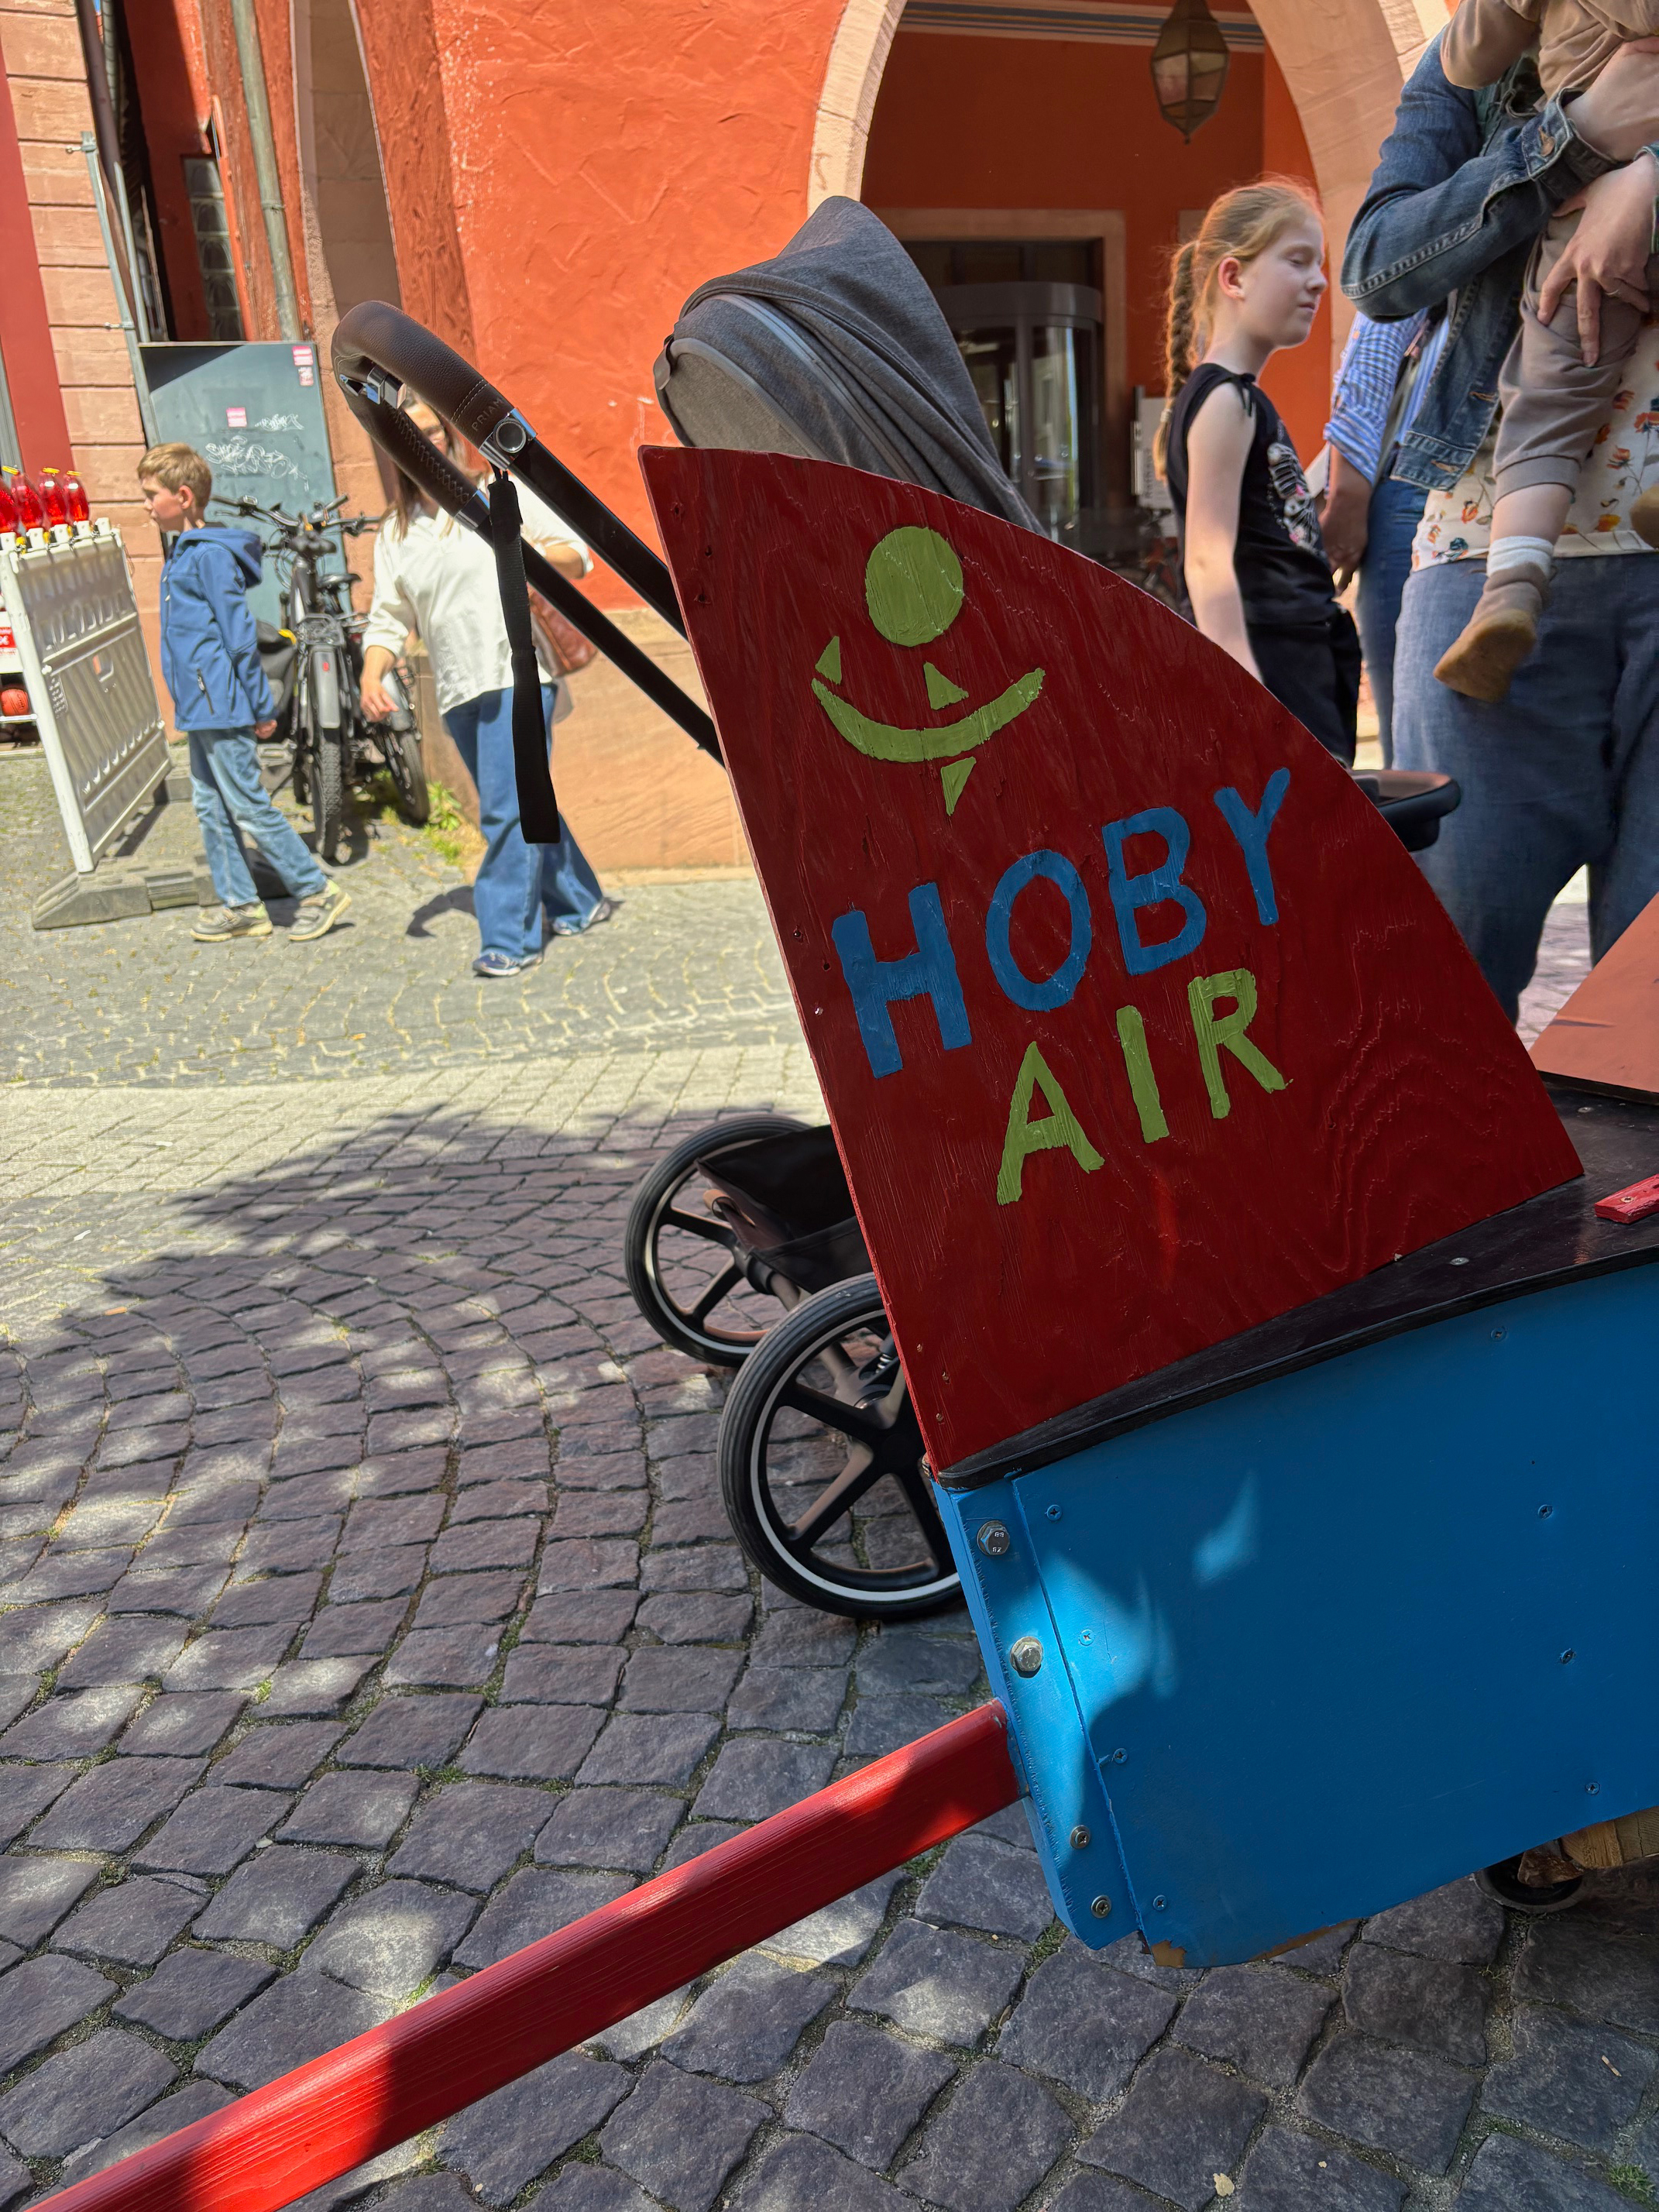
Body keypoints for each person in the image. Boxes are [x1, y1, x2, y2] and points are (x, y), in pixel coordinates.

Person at [1344, 32, 1659, 1018]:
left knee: (1647, 1020)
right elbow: (1378, 267)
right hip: (1483, 562)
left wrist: (1650, 176)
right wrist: (1575, 141)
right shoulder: (1471, 58)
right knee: (1452, 992)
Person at [1431, 0, 1659, 697]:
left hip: (1583, 199)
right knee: (1550, 388)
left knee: (1549, 398)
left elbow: (1468, 56)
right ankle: (1507, 594)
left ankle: (1511, 586)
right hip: (1587, 194)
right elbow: (1460, 65)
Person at [360, 404, 616, 977]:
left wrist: (521, 552)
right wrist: (371, 674)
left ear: (448, 436)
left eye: (432, 428)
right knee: (523, 802)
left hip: (516, 674)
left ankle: (509, 937)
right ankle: (579, 900)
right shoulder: (396, 531)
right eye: (412, 434)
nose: (426, 439)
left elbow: (577, 554)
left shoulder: (496, 494)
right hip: (458, 689)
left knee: (507, 810)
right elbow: (388, 616)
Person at [1156, 180, 1361, 763]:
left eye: (1319, 264)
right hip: (1272, 670)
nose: (1318, 281)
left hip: (1298, 662)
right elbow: (1207, 557)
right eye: (1297, 260)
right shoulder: (1226, 402)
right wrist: (1242, 690)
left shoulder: (1240, 400)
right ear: (1233, 277)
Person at [139, 441, 349, 944]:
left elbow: (238, 637)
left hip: (222, 703)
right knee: (210, 807)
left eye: (151, 495)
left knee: (248, 804)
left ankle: (318, 891)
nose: (146, 506)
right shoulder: (184, 553)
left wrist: (259, 704)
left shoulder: (210, 556)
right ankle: (242, 906)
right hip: (201, 705)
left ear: (183, 496)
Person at [1319, 309, 1449, 762]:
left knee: (1417, 756)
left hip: (1423, 481)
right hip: (1431, 485)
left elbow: (1379, 332)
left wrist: (1347, 498)